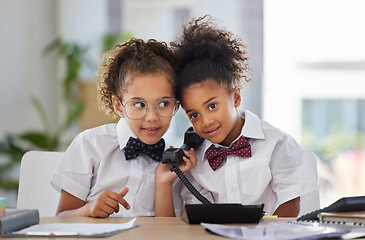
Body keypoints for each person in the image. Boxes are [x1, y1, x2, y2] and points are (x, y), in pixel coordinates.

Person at [155, 15, 319, 217]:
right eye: (194, 115)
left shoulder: (276, 144)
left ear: (236, 97)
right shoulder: (195, 160)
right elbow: (196, 216)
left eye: (212, 105)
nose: (206, 121)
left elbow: (291, 204)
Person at [51, 38, 187, 218]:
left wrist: (163, 183)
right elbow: (62, 217)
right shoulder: (90, 144)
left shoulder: (174, 164)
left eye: (163, 103)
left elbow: (166, 233)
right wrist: (89, 210)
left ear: (176, 106)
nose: (152, 117)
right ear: (118, 105)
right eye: (139, 104)